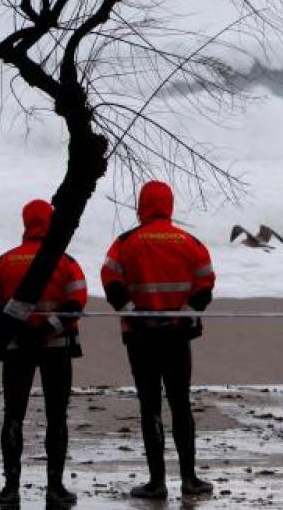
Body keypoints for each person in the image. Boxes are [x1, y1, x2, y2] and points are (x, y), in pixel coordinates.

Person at [100, 179, 216, 500]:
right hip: (178, 338)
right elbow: (205, 284)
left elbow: (110, 280)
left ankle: (157, 483)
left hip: (140, 338)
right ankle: (190, 479)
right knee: (180, 404)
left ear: (141, 206)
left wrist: (134, 313)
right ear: (170, 205)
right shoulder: (189, 242)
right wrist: (184, 316)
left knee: (149, 405)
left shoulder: (125, 243)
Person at [0, 199, 87, 508]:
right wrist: (46, 330)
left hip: (15, 349)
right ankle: (56, 488)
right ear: (51, 222)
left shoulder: (3, 261)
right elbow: (77, 300)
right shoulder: (65, 261)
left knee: (13, 416)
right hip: (56, 348)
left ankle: (11, 488)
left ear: (25, 223)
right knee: (57, 417)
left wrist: (16, 330)